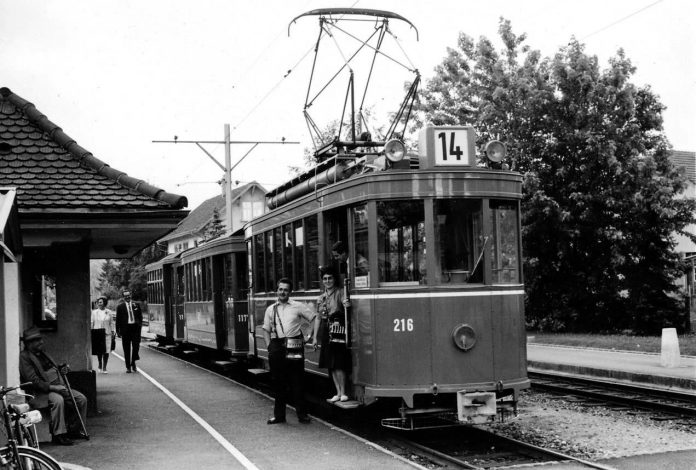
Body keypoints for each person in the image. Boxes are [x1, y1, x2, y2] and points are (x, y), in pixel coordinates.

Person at [19, 326, 88, 446]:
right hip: (40, 392)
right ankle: (59, 434)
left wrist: (62, 368)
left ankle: (74, 429)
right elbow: (33, 381)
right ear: (29, 343)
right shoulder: (25, 357)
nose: (41, 342)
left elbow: (53, 368)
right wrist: (53, 388)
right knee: (58, 400)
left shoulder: (42, 353)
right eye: (38, 340)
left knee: (81, 399)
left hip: (57, 386)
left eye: (40, 339)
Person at [262, 278, 316, 425]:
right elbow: (266, 329)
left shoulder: (297, 306)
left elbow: (314, 318)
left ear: (290, 292)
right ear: (277, 291)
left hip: (295, 344)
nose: (283, 292)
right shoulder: (270, 309)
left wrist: (309, 336)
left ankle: (302, 415)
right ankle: (279, 416)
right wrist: (269, 347)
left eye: (286, 290)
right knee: (278, 382)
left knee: (297, 381)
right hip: (277, 345)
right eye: (280, 289)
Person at [314, 267, 351, 402]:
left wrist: (347, 304)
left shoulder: (340, 293)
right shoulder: (321, 298)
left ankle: (343, 392)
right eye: (325, 279)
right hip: (326, 330)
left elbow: (346, 306)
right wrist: (314, 337)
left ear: (334, 279)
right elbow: (318, 317)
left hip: (338, 329)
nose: (327, 281)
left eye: (330, 278)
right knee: (331, 364)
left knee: (338, 363)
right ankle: (338, 392)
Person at [115, 289, 142, 373]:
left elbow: (140, 316)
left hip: (135, 329)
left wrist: (139, 325)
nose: (127, 297)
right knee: (126, 349)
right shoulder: (120, 307)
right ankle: (128, 367)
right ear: (123, 297)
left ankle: (133, 362)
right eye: (125, 296)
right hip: (125, 330)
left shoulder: (136, 305)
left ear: (131, 295)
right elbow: (118, 320)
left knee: (136, 347)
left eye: (128, 295)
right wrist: (118, 331)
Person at [91, 296, 116, 373]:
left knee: (107, 350)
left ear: (104, 303)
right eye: (98, 302)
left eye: (101, 302)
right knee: (99, 350)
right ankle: (100, 363)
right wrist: (91, 331)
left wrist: (112, 332)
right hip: (98, 333)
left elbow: (111, 323)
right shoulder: (94, 312)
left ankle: (105, 367)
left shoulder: (109, 312)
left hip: (107, 333)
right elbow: (92, 322)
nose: (99, 303)